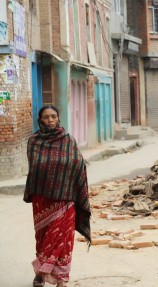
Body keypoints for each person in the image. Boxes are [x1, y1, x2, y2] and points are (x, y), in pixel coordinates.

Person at [24, 105, 91, 287]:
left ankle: (61, 279)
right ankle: (40, 274)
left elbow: (78, 164)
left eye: (53, 116)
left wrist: (72, 177)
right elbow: (36, 168)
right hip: (42, 199)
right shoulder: (34, 141)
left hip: (66, 197)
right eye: (46, 117)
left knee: (63, 239)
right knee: (44, 237)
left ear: (58, 118)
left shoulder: (69, 141)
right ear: (40, 120)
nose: (50, 120)